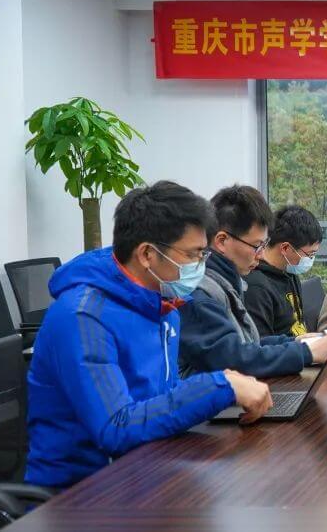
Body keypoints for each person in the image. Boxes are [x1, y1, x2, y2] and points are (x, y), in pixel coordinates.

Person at [25, 181, 273, 489]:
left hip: (147, 470)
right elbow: (115, 428)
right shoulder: (83, 316)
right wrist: (219, 386)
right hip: (82, 492)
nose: (200, 266)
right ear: (146, 254)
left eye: (203, 254)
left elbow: (161, 396)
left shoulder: (162, 304)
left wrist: (225, 386)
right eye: (193, 255)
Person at [178, 185, 327, 378]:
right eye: (256, 246)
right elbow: (233, 360)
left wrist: (298, 342)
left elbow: (248, 344)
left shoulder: (227, 283)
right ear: (221, 241)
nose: (261, 255)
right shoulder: (202, 294)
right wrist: (305, 352)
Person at [245, 205, 322, 338]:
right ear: (285, 248)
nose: (310, 259)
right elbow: (261, 344)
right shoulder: (256, 287)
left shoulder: (290, 273)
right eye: (309, 254)